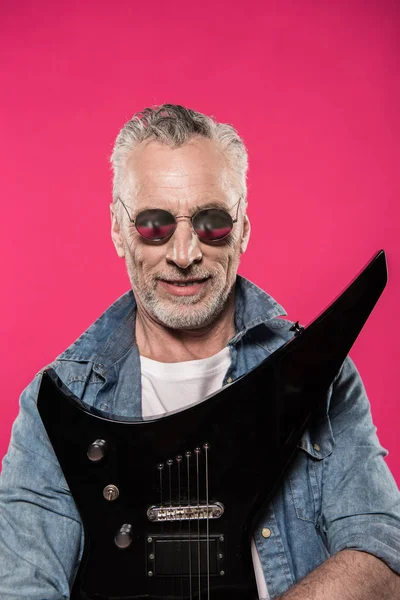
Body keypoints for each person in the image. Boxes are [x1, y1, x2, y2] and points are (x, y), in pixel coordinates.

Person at [0, 104, 399, 600]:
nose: (185, 255)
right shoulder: (55, 404)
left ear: (244, 229)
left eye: (212, 223)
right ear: (118, 231)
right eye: (153, 224)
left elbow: (382, 549)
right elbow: (22, 588)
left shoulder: (322, 375)